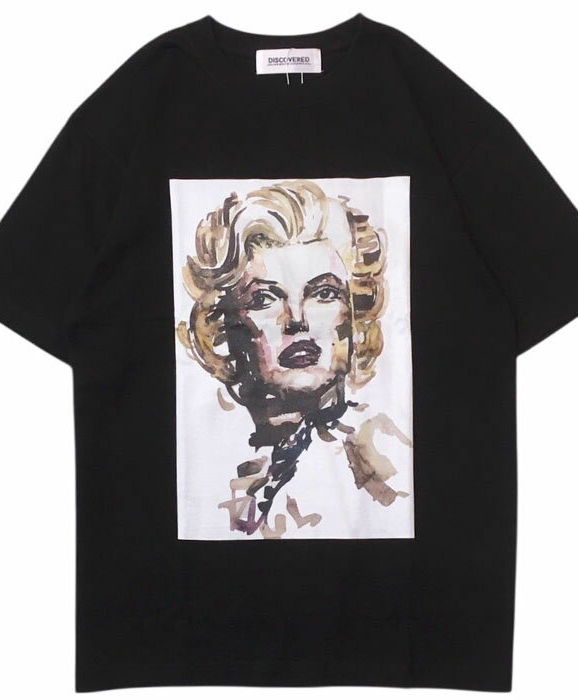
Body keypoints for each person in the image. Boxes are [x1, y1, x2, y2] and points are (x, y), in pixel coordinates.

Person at [176, 178, 412, 538]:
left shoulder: (385, 461)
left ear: (354, 317)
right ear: (225, 329)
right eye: (264, 299)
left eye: (324, 294)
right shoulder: (211, 471)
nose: (297, 321)